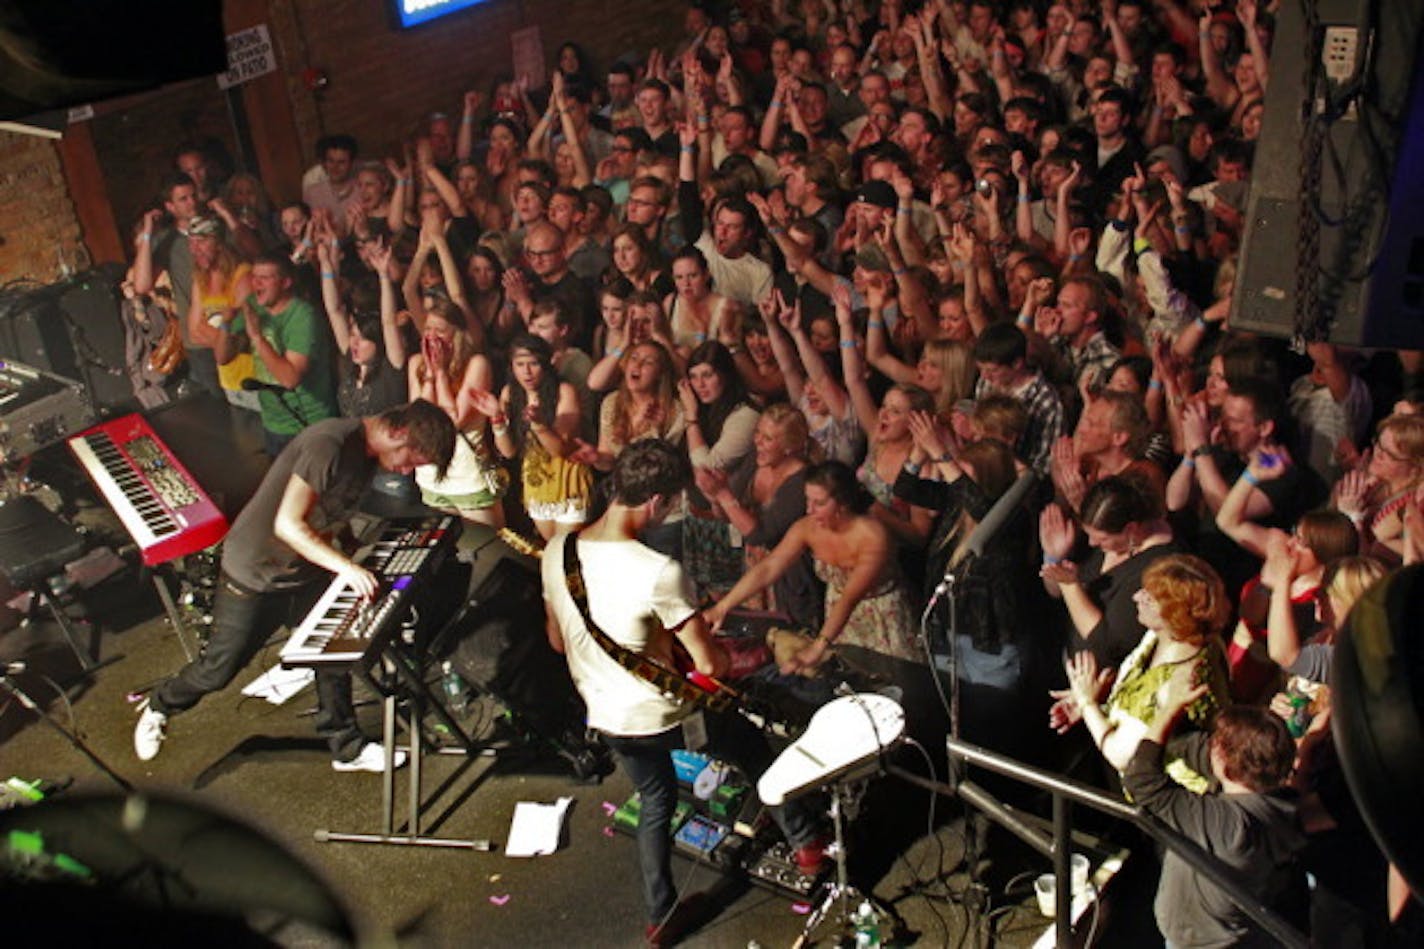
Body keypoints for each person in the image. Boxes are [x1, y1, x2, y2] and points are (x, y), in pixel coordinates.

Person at [541, 440, 824, 946]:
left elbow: (559, 642)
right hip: (665, 715)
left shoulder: (557, 552)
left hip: (605, 717)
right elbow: (711, 663)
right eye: (670, 503)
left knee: (654, 797)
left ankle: (661, 914)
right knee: (755, 756)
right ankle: (806, 845)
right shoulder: (656, 571)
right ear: (655, 501)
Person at [133, 401, 457, 770]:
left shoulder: (370, 459)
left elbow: (332, 509)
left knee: (333, 649)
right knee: (218, 669)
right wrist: (347, 568)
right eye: (411, 460)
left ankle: (345, 747)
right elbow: (288, 524)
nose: (408, 471)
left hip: (304, 570)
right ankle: (161, 703)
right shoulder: (329, 444)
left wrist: (348, 546)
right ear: (397, 433)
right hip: (255, 571)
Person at [1118, 681, 1307, 948]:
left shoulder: (1227, 824)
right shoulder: (1276, 805)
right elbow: (1200, 752)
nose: (1211, 747)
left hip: (1199, 944)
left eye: (1217, 746)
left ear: (1228, 766)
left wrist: (1170, 709)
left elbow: (1141, 780)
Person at [706, 460, 919, 668]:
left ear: (843, 504)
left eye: (819, 503)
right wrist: (723, 607)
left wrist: (818, 646)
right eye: (808, 501)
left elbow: (849, 598)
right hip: (837, 620)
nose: (809, 510)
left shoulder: (873, 536)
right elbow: (769, 568)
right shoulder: (806, 528)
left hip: (882, 618)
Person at [1056, 553, 1232, 793]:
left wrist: (1088, 704)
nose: (1136, 597)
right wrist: (1096, 701)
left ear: (1173, 614)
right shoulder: (1163, 637)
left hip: (1163, 800)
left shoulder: (1180, 680)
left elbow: (1121, 754)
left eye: (1149, 598)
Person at [215, 254, 339, 457]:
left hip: (308, 424)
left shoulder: (303, 316)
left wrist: (256, 337)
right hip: (273, 423)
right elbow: (222, 358)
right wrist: (226, 324)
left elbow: (290, 379)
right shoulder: (253, 305)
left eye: (265, 278)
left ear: (286, 282)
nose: (257, 283)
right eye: (254, 277)